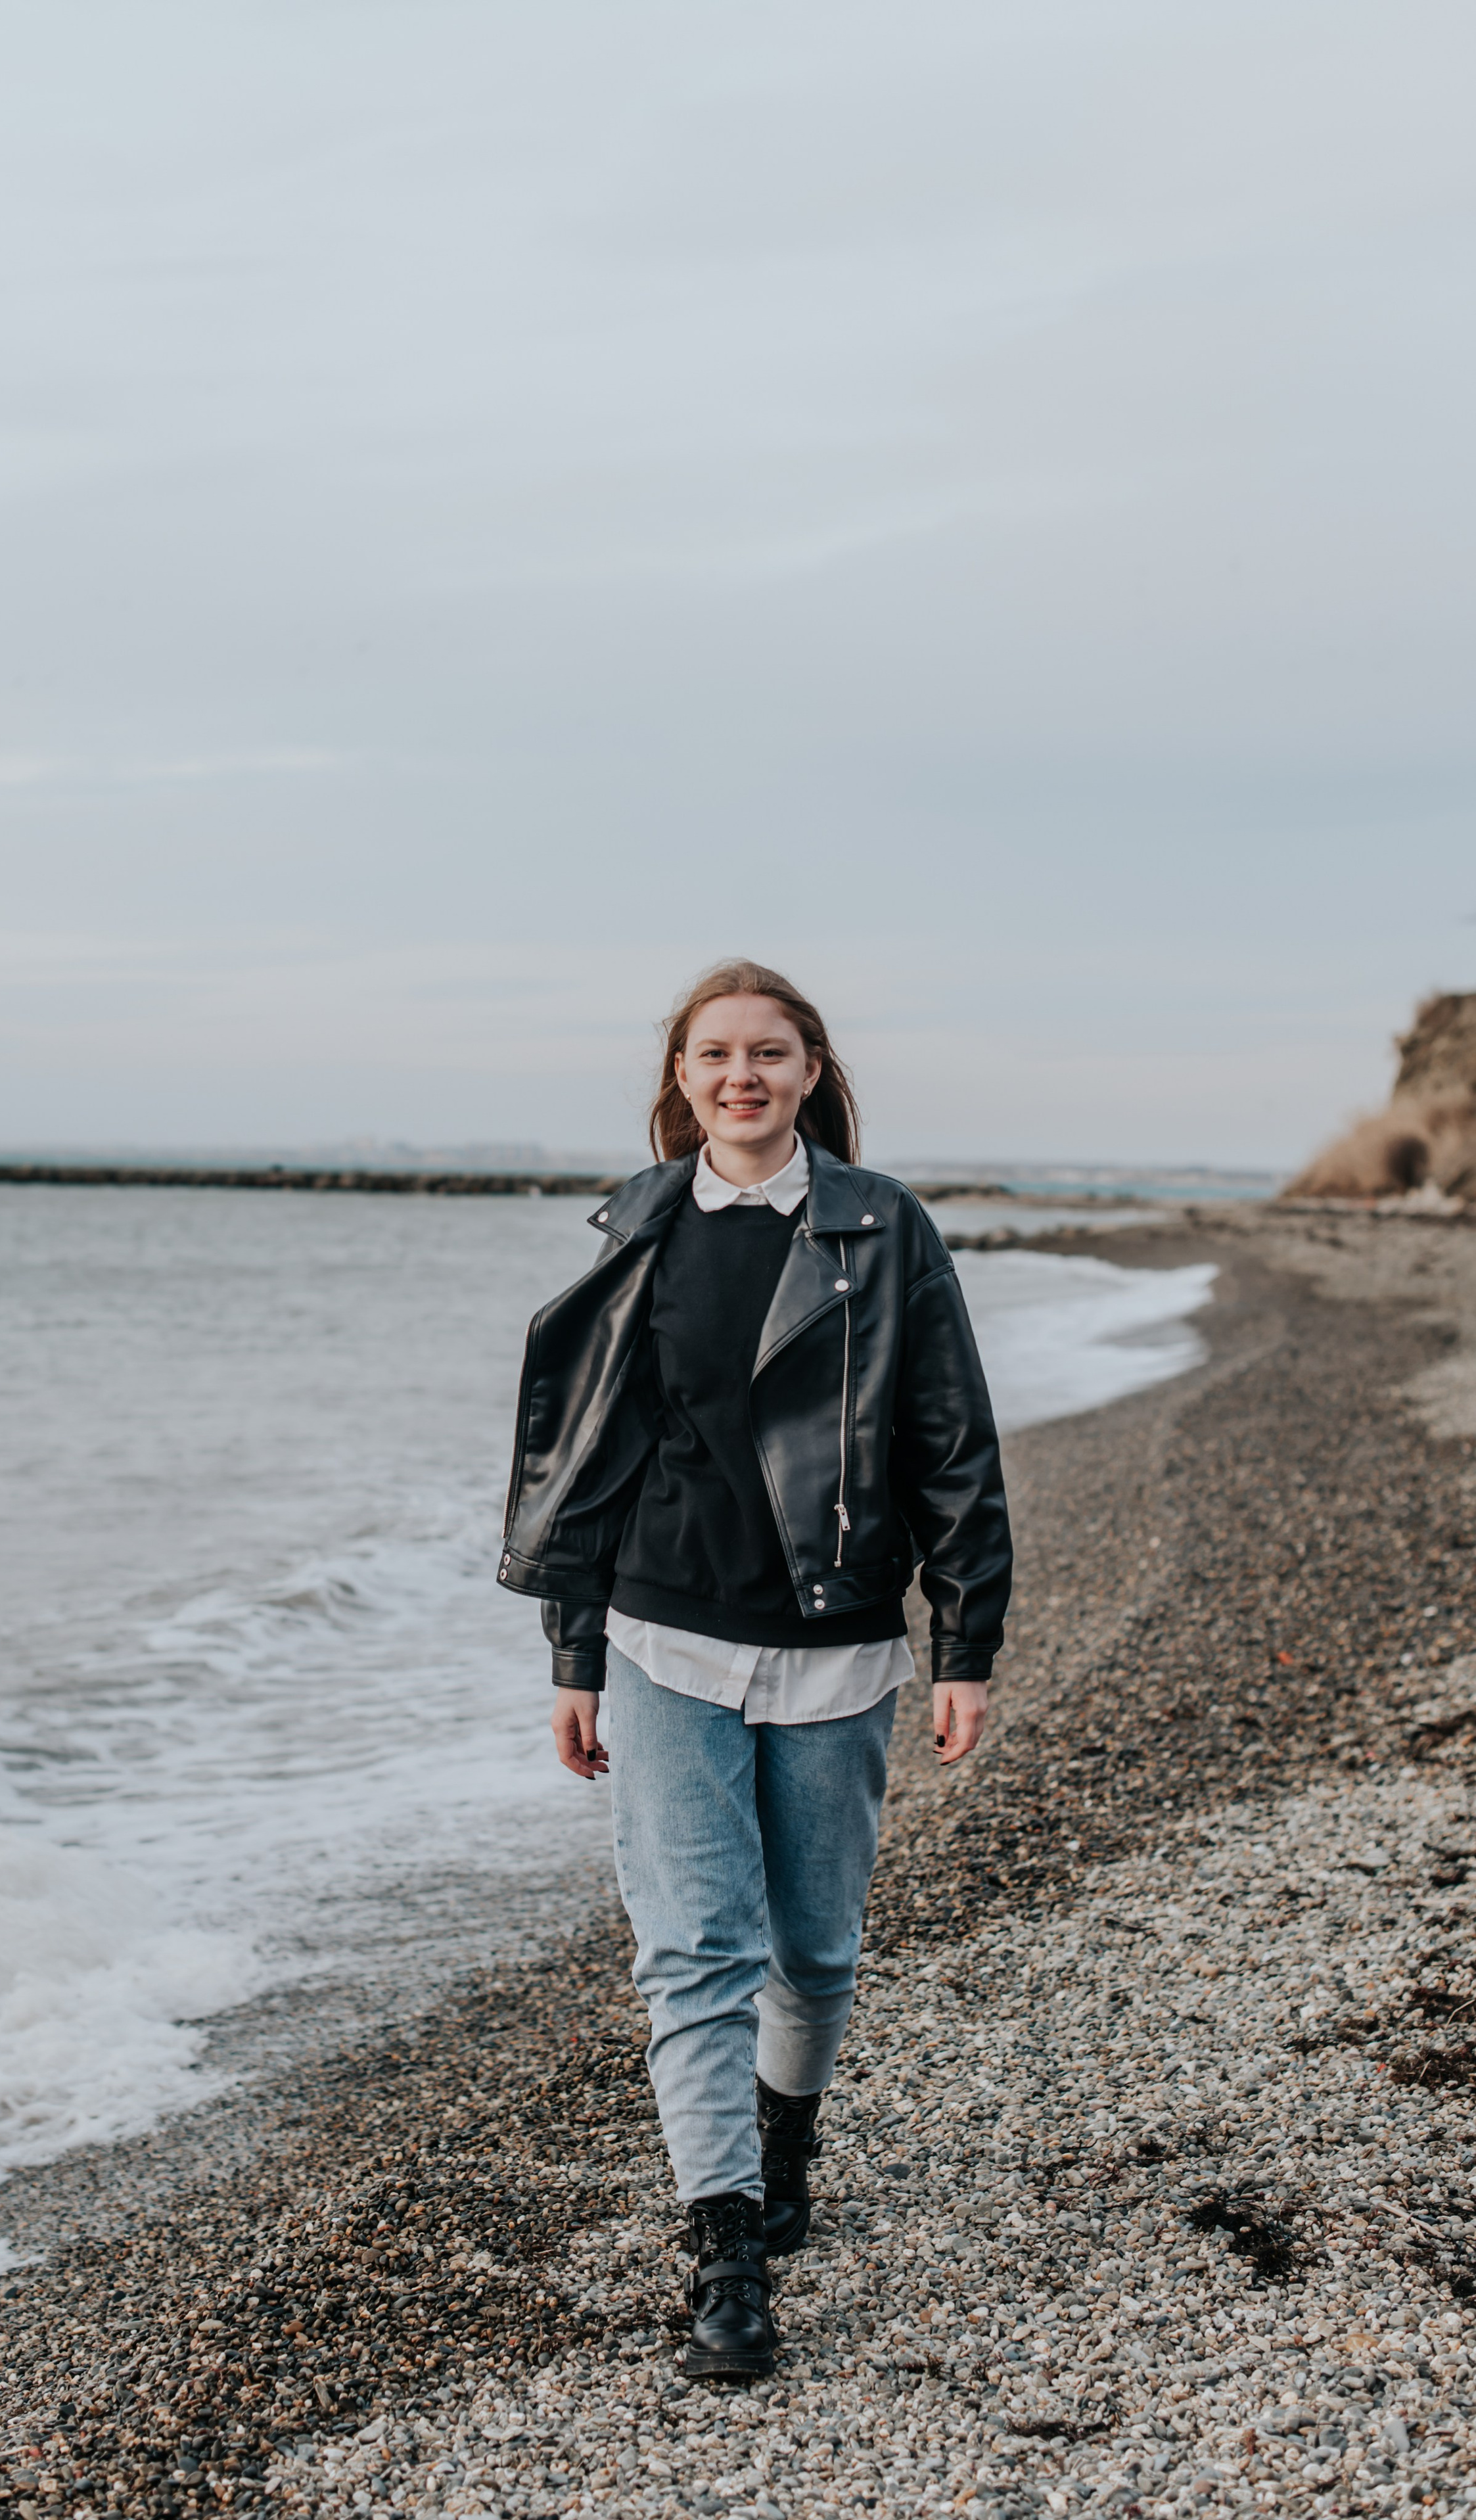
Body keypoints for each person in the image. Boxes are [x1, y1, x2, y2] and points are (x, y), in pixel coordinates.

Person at [498, 960, 1011, 2378]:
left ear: (807, 1071)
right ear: (679, 1078)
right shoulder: (639, 1225)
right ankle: (722, 2249)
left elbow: (948, 1437)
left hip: (836, 1644)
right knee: (695, 1950)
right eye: (714, 1054)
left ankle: (787, 2134)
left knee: (814, 1948)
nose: (739, 1076)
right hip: (664, 1635)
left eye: (766, 1054)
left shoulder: (878, 1224)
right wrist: (574, 1651)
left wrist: (964, 1639)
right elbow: (588, 1459)